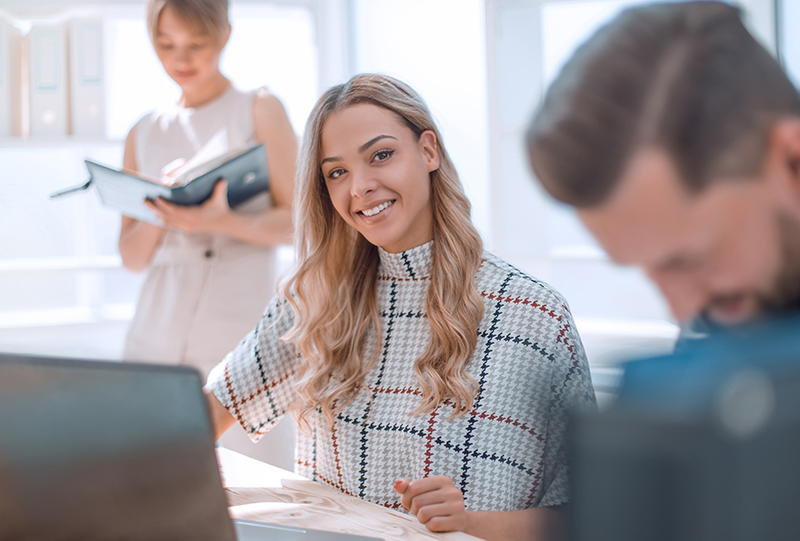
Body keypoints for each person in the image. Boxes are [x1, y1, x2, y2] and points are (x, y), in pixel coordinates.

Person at [204, 73, 596, 540]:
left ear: (428, 151)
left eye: (381, 155)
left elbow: (586, 517)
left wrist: (467, 522)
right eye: (337, 172)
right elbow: (201, 418)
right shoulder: (312, 305)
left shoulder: (534, 316)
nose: (360, 186)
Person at [525, 1, 800, 331]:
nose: (680, 310)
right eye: (649, 270)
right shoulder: (726, 315)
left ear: (792, 163)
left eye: (688, 261)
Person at [118, 0, 297, 378]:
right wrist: (161, 208)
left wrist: (221, 221)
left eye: (196, 44)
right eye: (166, 45)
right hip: (153, 340)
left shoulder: (259, 109)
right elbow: (132, 260)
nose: (180, 59)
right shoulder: (143, 131)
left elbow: (302, 224)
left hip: (239, 341)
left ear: (224, 35)